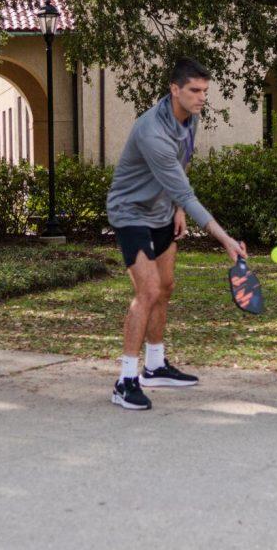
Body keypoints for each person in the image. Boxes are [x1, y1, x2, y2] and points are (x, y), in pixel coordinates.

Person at [105, 58, 247, 410]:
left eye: (204, 91)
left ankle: (155, 365)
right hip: (131, 213)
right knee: (148, 290)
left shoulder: (189, 119)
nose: (201, 98)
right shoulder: (152, 131)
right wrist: (226, 239)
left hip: (162, 211)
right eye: (194, 91)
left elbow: (179, 170)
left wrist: (177, 209)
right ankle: (125, 380)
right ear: (174, 90)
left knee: (166, 287)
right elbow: (184, 190)